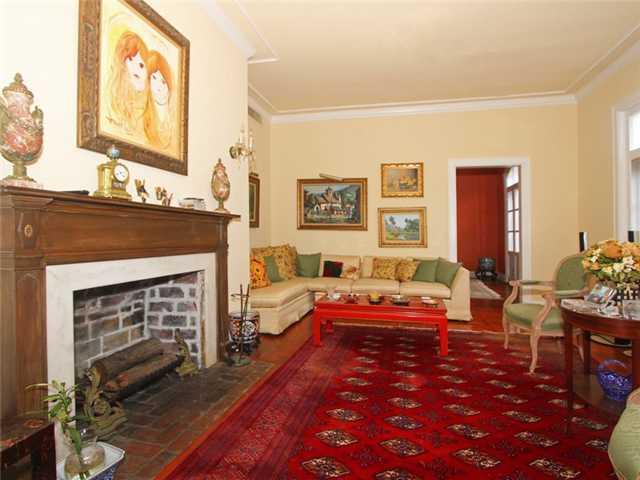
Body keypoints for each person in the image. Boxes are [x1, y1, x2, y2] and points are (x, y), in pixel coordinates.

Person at [105, 31, 149, 136]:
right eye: (130, 59)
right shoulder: (112, 100)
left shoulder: (146, 106)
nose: (135, 68)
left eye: (141, 65)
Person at [143, 50, 174, 150]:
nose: (159, 86)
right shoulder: (145, 114)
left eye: (163, 81)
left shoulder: (173, 117)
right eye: (154, 78)